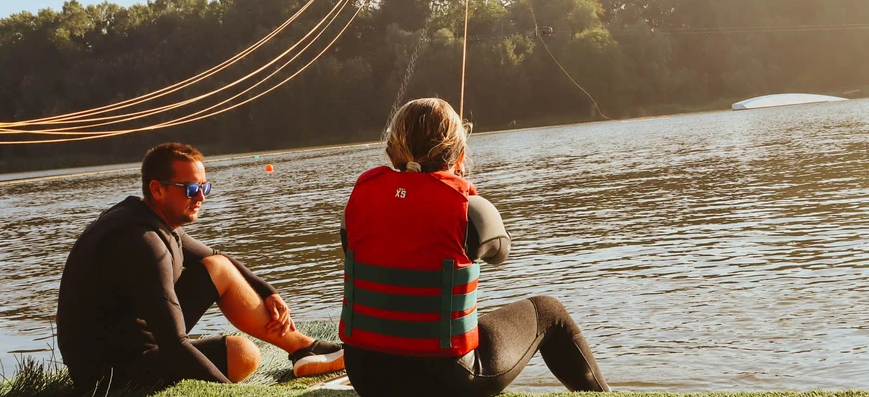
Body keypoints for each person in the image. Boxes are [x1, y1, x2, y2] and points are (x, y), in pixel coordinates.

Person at [339, 98, 610, 397]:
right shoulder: (470, 209)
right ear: (459, 153)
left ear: (392, 152)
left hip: (366, 376)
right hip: (447, 380)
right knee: (549, 312)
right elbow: (500, 253)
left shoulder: (359, 198)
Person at [56, 142, 344, 391]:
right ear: (157, 189)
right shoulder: (142, 243)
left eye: (204, 187)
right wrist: (229, 393)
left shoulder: (148, 219)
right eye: (191, 188)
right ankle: (303, 348)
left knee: (237, 334)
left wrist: (268, 291)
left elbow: (219, 258)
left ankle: (303, 348)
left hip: (133, 347)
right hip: (111, 375)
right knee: (236, 341)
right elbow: (174, 345)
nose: (201, 197)